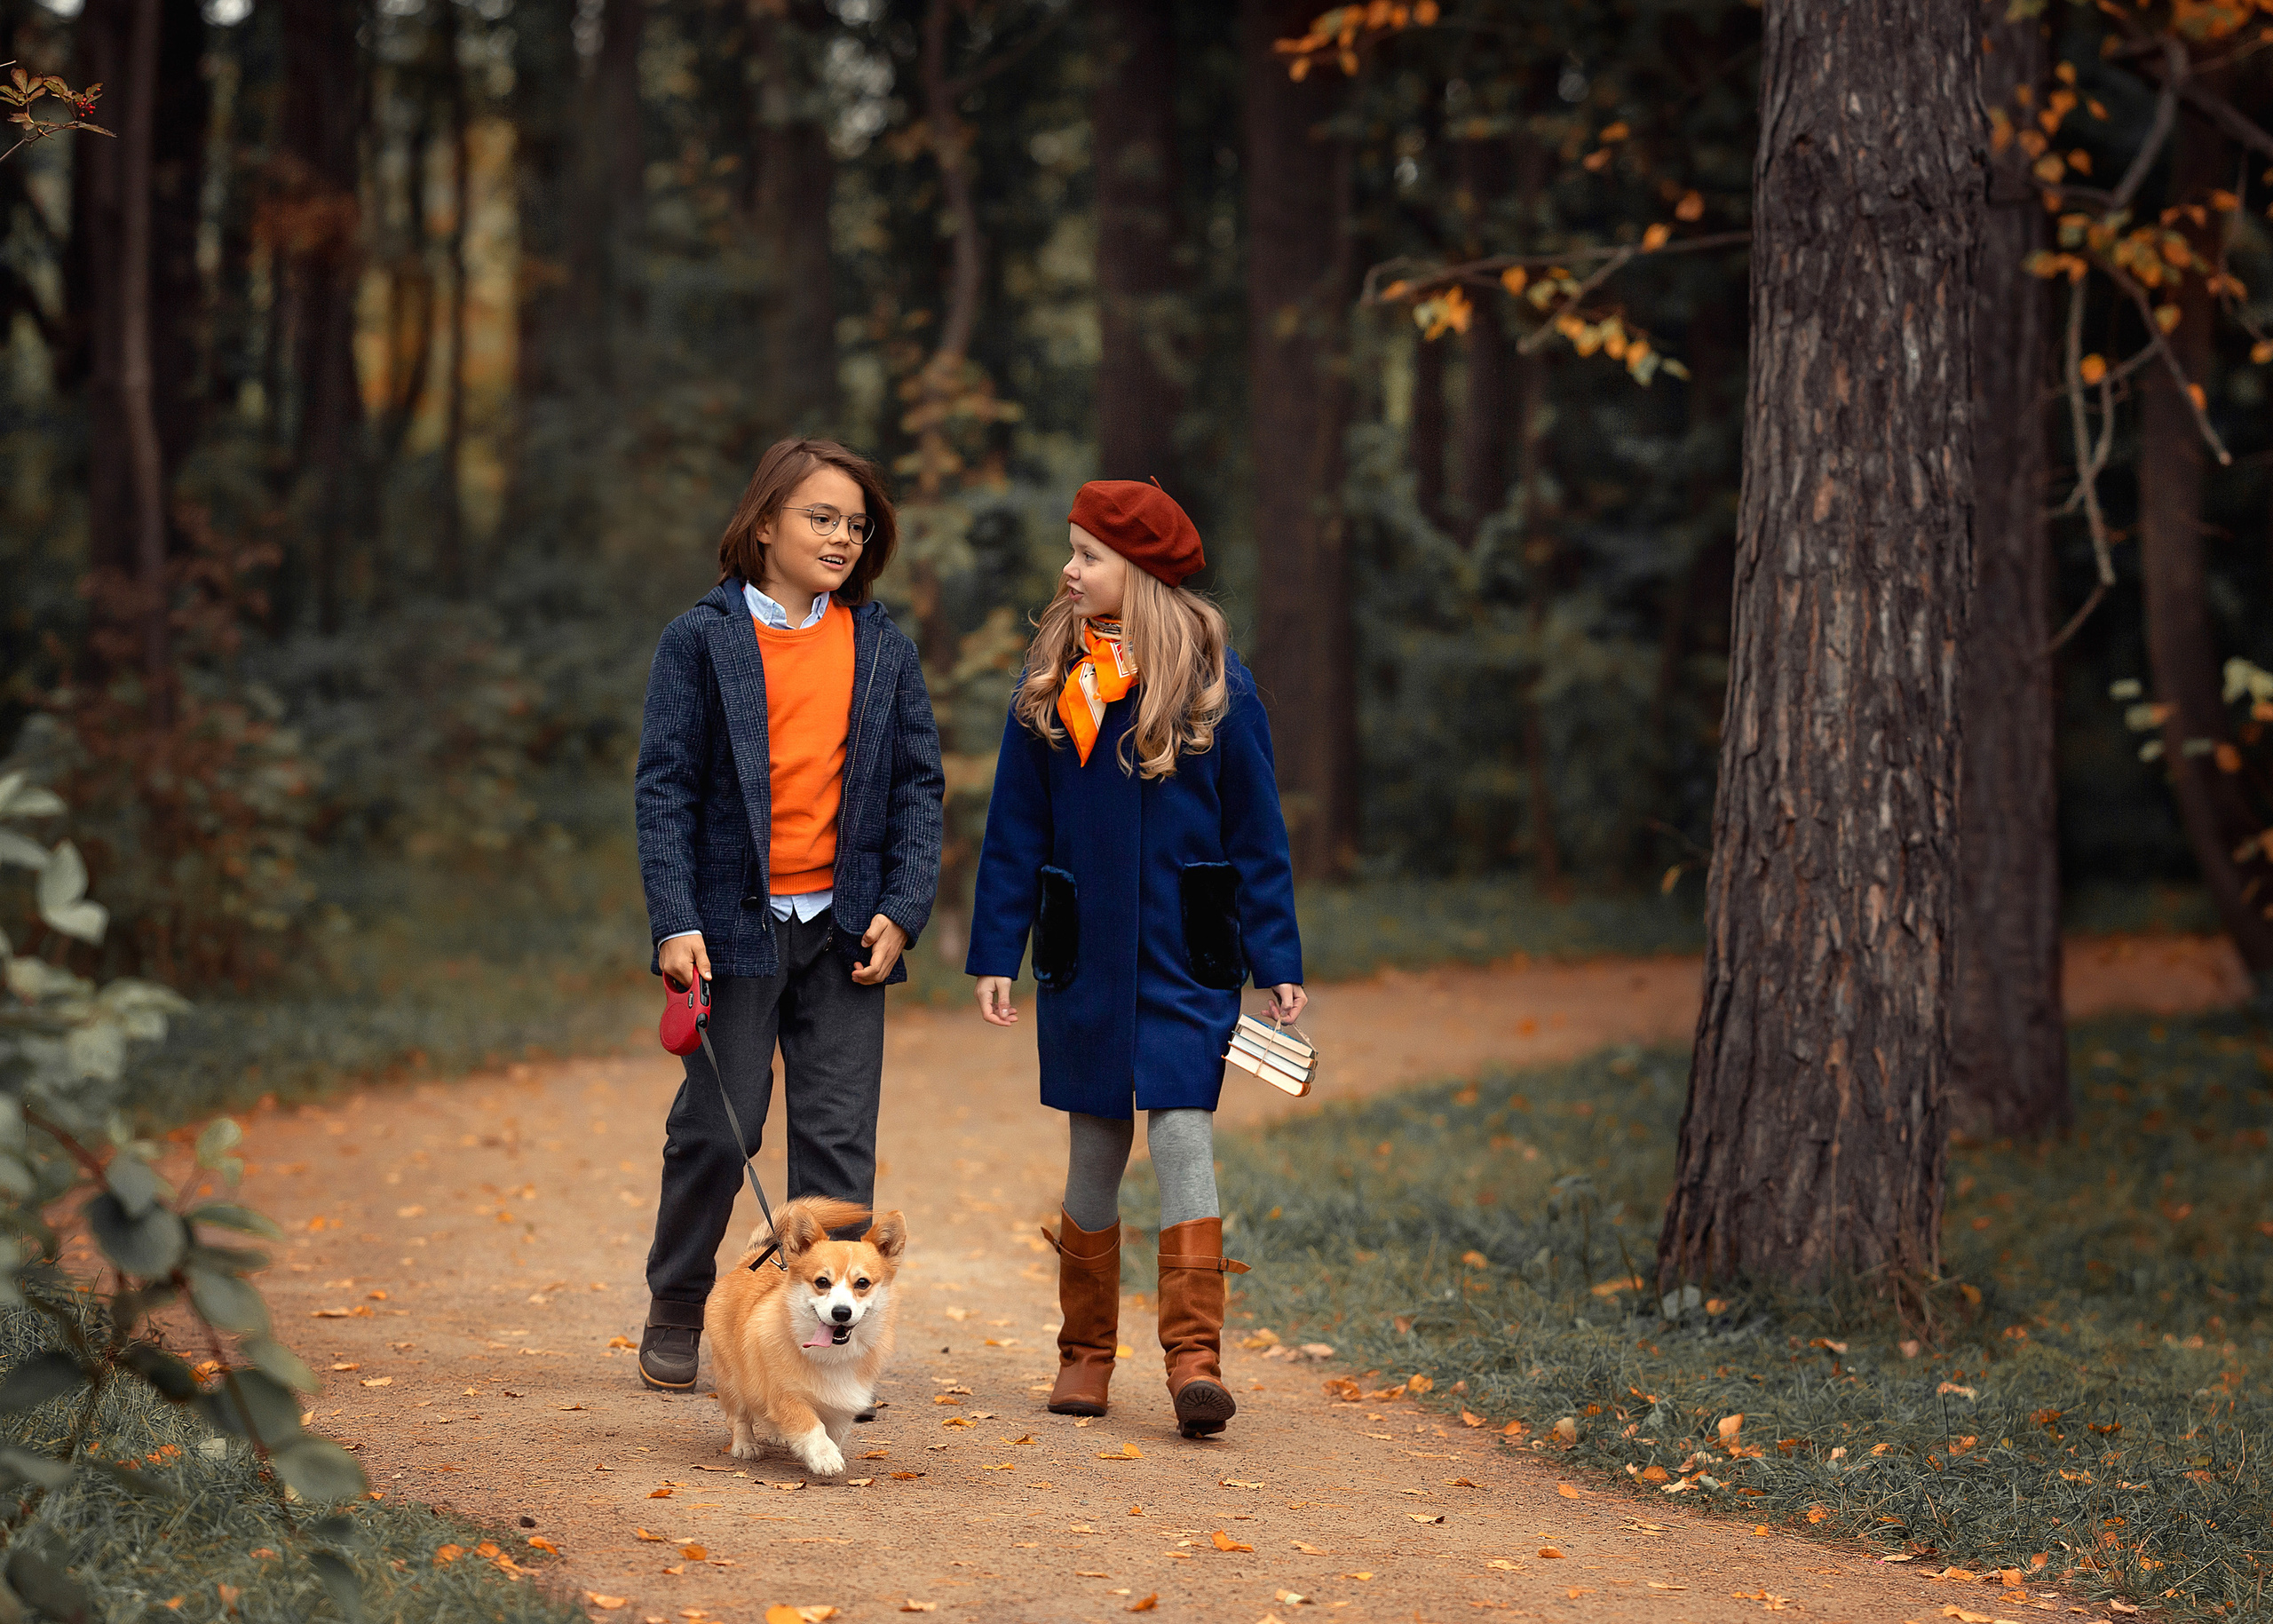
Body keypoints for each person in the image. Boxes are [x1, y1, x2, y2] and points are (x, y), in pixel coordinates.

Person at [966, 479, 1305, 1440]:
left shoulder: (1215, 688)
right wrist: (999, 945)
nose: (1068, 570)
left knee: (1184, 1134)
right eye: (1070, 552)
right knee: (1093, 1151)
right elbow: (1013, 832)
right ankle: (1084, 1352)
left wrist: (1274, 956)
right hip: (1084, 963)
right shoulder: (1051, 691)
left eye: (1088, 555)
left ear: (1142, 575)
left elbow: (1259, 837)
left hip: (1190, 958)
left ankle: (1195, 1357)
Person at [632, 437, 944, 1392]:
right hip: (731, 928)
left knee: (839, 1143)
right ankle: (681, 1304)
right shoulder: (700, 638)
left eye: (855, 523)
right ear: (764, 523)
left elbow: (918, 786)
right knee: (719, 1130)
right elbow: (665, 789)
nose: (842, 537)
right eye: (821, 517)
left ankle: (827, 1350)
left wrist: (903, 905)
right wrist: (674, 917)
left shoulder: (882, 644)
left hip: (847, 929)